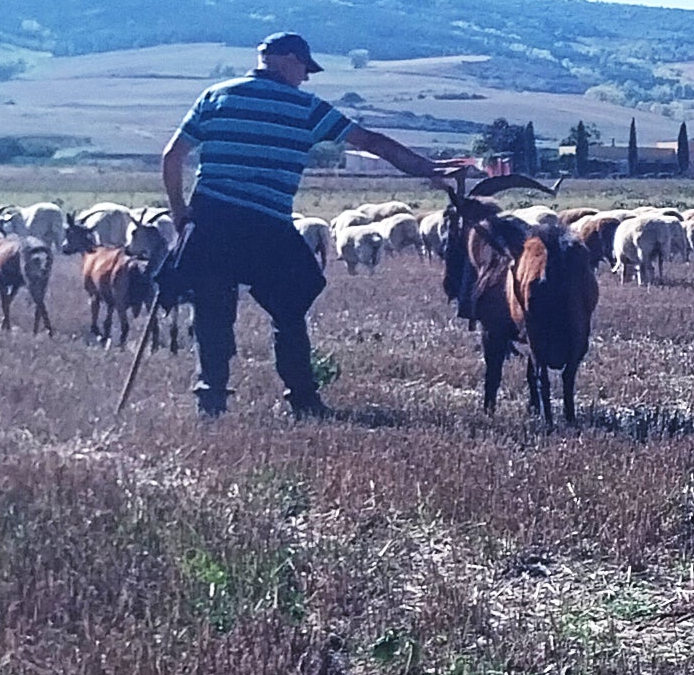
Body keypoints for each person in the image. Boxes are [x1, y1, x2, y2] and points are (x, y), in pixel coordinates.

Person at [158, 33, 466, 416]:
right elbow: (371, 142)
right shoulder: (305, 107)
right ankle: (303, 399)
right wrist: (427, 168)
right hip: (267, 223)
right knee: (289, 308)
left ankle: (212, 402)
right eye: (304, 68)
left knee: (212, 312)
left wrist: (179, 211)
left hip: (212, 220)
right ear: (287, 60)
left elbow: (172, 156)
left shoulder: (215, 96)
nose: (305, 78)